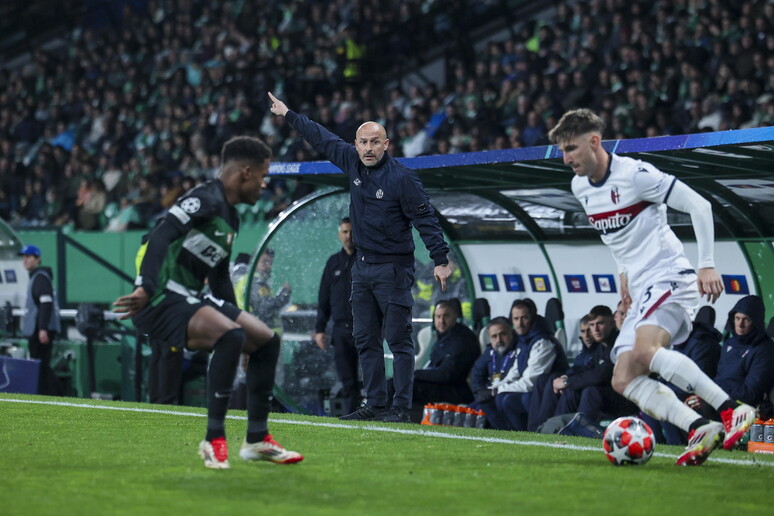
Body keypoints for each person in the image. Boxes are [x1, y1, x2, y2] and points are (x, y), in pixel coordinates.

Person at [549, 108, 755, 466]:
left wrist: (706, 263)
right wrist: (623, 279)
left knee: (645, 352)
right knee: (623, 377)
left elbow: (699, 205)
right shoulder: (579, 186)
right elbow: (616, 239)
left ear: (594, 141)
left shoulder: (636, 175)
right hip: (642, 285)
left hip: (668, 274)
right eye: (563, 150)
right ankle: (699, 426)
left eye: (571, 148)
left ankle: (732, 409)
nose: (566, 158)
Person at [114, 136, 303, 469]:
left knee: (265, 341)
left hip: (191, 296)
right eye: (262, 177)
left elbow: (218, 278)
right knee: (231, 336)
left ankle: (257, 439)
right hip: (159, 296)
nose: (264, 186)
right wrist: (144, 286)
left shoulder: (231, 218)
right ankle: (214, 438)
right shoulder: (204, 199)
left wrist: (240, 316)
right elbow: (159, 236)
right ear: (245, 172)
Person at [268, 92, 452, 424]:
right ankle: (376, 403)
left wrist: (440, 259)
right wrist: (288, 114)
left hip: (394, 270)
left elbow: (426, 219)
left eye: (375, 142)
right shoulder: (352, 162)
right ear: (355, 145)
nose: (368, 148)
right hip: (362, 269)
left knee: (398, 340)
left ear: (387, 145)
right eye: (363, 142)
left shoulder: (403, 179)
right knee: (365, 339)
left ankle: (401, 407)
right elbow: (322, 138)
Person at [471, 300, 566, 431]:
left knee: (506, 400)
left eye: (524, 318)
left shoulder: (543, 342)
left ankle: (521, 434)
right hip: (532, 391)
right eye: (516, 319)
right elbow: (514, 374)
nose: (520, 324)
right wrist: (491, 390)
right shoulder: (524, 341)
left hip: (547, 394)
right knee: (488, 401)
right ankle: (508, 433)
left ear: (532, 318)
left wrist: (496, 391)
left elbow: (530, 382)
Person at [684, 295, 774, 421]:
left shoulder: (764, 349)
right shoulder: (729, 343)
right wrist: (703, 394)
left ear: (756, 322)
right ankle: (686, 441)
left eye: (746, 320)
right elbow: (719, 379)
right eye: (737, 318)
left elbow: (750, 393)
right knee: (689, 403)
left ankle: (718, 439)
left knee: (704, 406)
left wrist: (713, 397)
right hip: (721, 398)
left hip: (746, 405)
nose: (740, 324)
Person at [314, 217, 361, 415]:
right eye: (345, 232)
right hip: (341, 330)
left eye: (352, 231)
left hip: (365, 327)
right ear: (339, 234)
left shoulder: (366, 259)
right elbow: (323, 298)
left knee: (370, 375)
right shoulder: (333, 262)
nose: (349, 236)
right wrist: (319, 330)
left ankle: (375, 413)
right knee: (347, 379)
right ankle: (353, 417)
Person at [408, 300, 480, 419]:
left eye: (446, 316)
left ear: (455, 316)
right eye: (438, 316)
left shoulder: (462, 339)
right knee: (398, 383)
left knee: (408, 386)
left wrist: (415, 374)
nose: (441, 321)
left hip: (456, 391)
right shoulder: (442, 338)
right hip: (442, 386)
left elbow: (446, 374)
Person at [20, 244, 62, 396]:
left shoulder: (40, 278)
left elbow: (46, 303)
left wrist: (43, 328)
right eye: (23, 257)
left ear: (38, 259)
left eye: (29, 257)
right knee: (41, 366)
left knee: (40, 366)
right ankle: (55, 394)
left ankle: (56, 395)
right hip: (39, 329)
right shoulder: (38, 277)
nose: (25, 260)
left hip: (40, 329)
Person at [469, 317, 519, 430]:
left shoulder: (518, 350)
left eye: (503, 334)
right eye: (494, 336)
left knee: (482, 409)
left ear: (511, 333)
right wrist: (480, 390)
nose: (499, 340)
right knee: (468, 411)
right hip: (488, 396)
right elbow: (476, 373)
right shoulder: (490, 352)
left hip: (505, 394)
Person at [250, 248, 291, 329]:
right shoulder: (256, 283)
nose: (268, 266)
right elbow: (265, 308)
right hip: (258, 332)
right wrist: (284, 295)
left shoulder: (257, 282)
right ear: (254, 263)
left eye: (270, 263)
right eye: (264, 262)